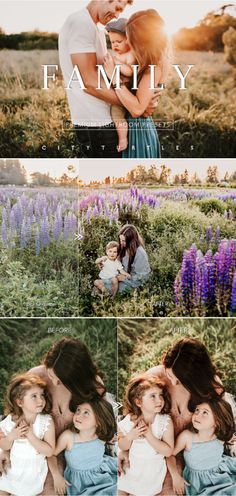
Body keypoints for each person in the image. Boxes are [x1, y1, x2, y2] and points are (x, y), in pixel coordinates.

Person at [119, 338, 235, 496]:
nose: (172, 382)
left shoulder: (211, 387)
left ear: (194, 379)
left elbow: (222, 417)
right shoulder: (155, 377)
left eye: (179, 380)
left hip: (188, 456)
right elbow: (135, 410)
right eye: (169, 373)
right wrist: (125, 450)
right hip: (157, 453)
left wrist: (227, 436)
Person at [0, 338, 108, 496]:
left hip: (66, 455)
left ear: (76, 377)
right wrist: (4, 451)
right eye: (51, 376)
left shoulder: (93, 386)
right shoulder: (36, 377)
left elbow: (102, 422)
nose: (55, 382)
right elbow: (13, 416)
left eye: (61, 380)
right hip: (30, 452)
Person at [59, 0, 133, 158]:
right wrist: (134, 105)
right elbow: (89, 82)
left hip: (104, 118)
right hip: (96, 122)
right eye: (117, 8)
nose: (117, 15)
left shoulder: (96, 28)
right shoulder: (81, 22)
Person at [104, 8, 170, 158]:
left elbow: (137, 109)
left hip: (139, 132)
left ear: (142, 41)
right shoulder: (141, 60)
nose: (129, 43)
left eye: (131, 38)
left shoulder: (155, 64)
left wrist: (113, 77)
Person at [118, 374, 174, 496]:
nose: (159, 400)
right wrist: (130, 436)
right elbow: (122, 445)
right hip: (131, 470)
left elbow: (168, 451)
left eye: (160, 395)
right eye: (152, 396)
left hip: (151, 474)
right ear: (139, 402)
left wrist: (149, 435)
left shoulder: (164, 421)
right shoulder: (130, 421)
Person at [0, 374, 55, 496]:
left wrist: (31, 436)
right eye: (34, 396)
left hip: (32, 474)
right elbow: (3, 446)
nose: (41, 400)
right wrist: (11, 437)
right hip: (12, 469)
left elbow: (50, 451)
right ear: (20, 402)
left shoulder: (45, 421)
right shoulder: (11, 421)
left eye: (42, 395)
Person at [50, 397, 117, 496]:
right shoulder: (68, 437)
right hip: (80, 483)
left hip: (102, 475)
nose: (78, 415)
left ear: (99, 421)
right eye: (78, 410)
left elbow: (110, 437)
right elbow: (51, 455)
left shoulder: (101, 436)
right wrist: (57, 476)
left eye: (86, 413)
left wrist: (113, 438)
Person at [170, 398, 236, 495]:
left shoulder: (220, 436)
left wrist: (229, 438)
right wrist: (175, 476)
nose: (197, 415)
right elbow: (170, 455)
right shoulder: (187, 437)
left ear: (217, 422)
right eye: (197, 410)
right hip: (199, 482)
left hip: (220, 475)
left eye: (205, 412)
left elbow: (228, 436)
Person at [105, 18, 137, 151]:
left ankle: (123, 138)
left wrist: (116, 65)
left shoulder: (130, 55)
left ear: (129, 40)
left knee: (117, 115)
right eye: (112, 42)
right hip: (115, 89)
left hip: (125, 93)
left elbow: (130, 72)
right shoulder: (118, 54)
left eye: (119, 41)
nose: (115, 45)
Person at [117, 224, 151, 293]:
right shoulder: (123, 247)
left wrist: (125, 278)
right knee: (98, 284)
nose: (121, 243)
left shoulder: (140, 253)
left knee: (112, 288)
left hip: (134, 284)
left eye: (123, 241)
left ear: (131, 241)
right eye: (120, 240)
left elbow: (143, 277)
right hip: (121, 278)